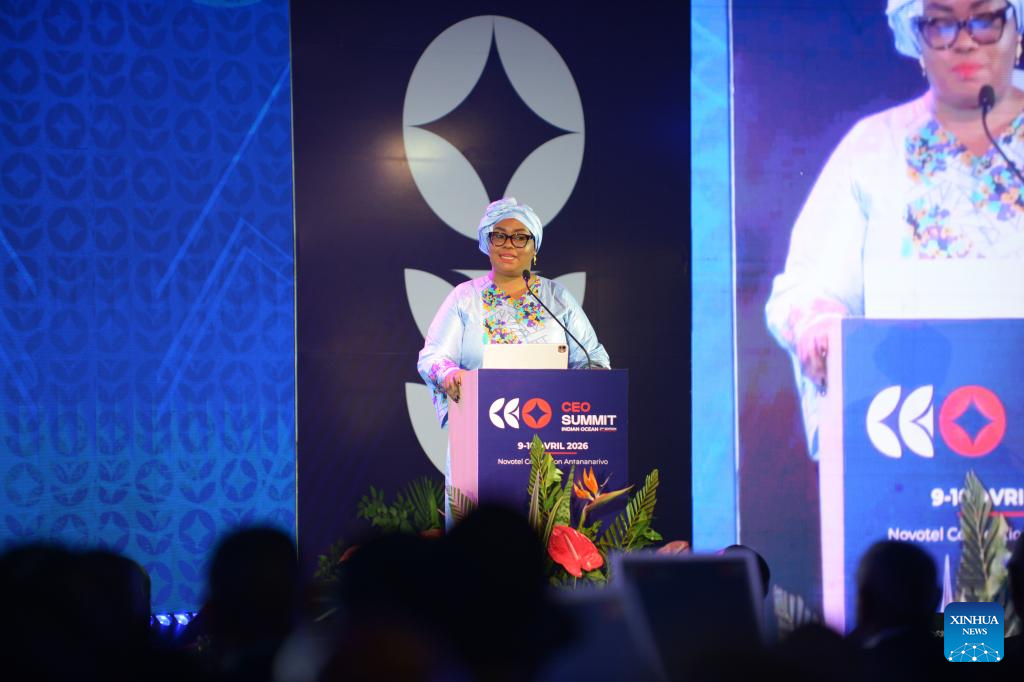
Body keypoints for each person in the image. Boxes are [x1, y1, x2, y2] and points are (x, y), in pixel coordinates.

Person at [766, 0, 1024, 458]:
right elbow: (810, 284)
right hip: (908, 435)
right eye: (940, 23)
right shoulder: (874, 147)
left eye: (985, 19)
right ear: (916, 38)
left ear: (1018, 32)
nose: (964, 41)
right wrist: (819, 322)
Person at [417, 197, 610, 428]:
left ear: (534, 247)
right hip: (479, 425)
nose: (508, 244)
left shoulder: (557, 298)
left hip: (552, 427)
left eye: (520, 237)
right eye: (499, 236)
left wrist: (592, 379)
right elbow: (433, 357)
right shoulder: (464, 297)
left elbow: (592, 358)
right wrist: (449, 374)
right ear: (488, 243)